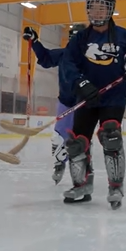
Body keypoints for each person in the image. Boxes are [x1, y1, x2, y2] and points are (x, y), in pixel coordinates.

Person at [61, 0, 126, 209]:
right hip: (87, 98)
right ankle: (82, 184)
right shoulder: (81, 39)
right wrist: (80, 84)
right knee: (76, 143)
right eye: (93, 6)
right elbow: (68, 64)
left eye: (103, 7)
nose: (98, 11)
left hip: (114, 97)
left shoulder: (122, 35)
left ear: (110, 10)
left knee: (111, 136)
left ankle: (115, 186)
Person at [22, 24, 86, 184]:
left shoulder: (92, 59)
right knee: (57, 137)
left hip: (84, 104)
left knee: (80, 140)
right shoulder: (64, 54)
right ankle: (59, 163)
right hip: (65, 101)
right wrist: (35, 41)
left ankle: (83, 175)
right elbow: (45, 59)